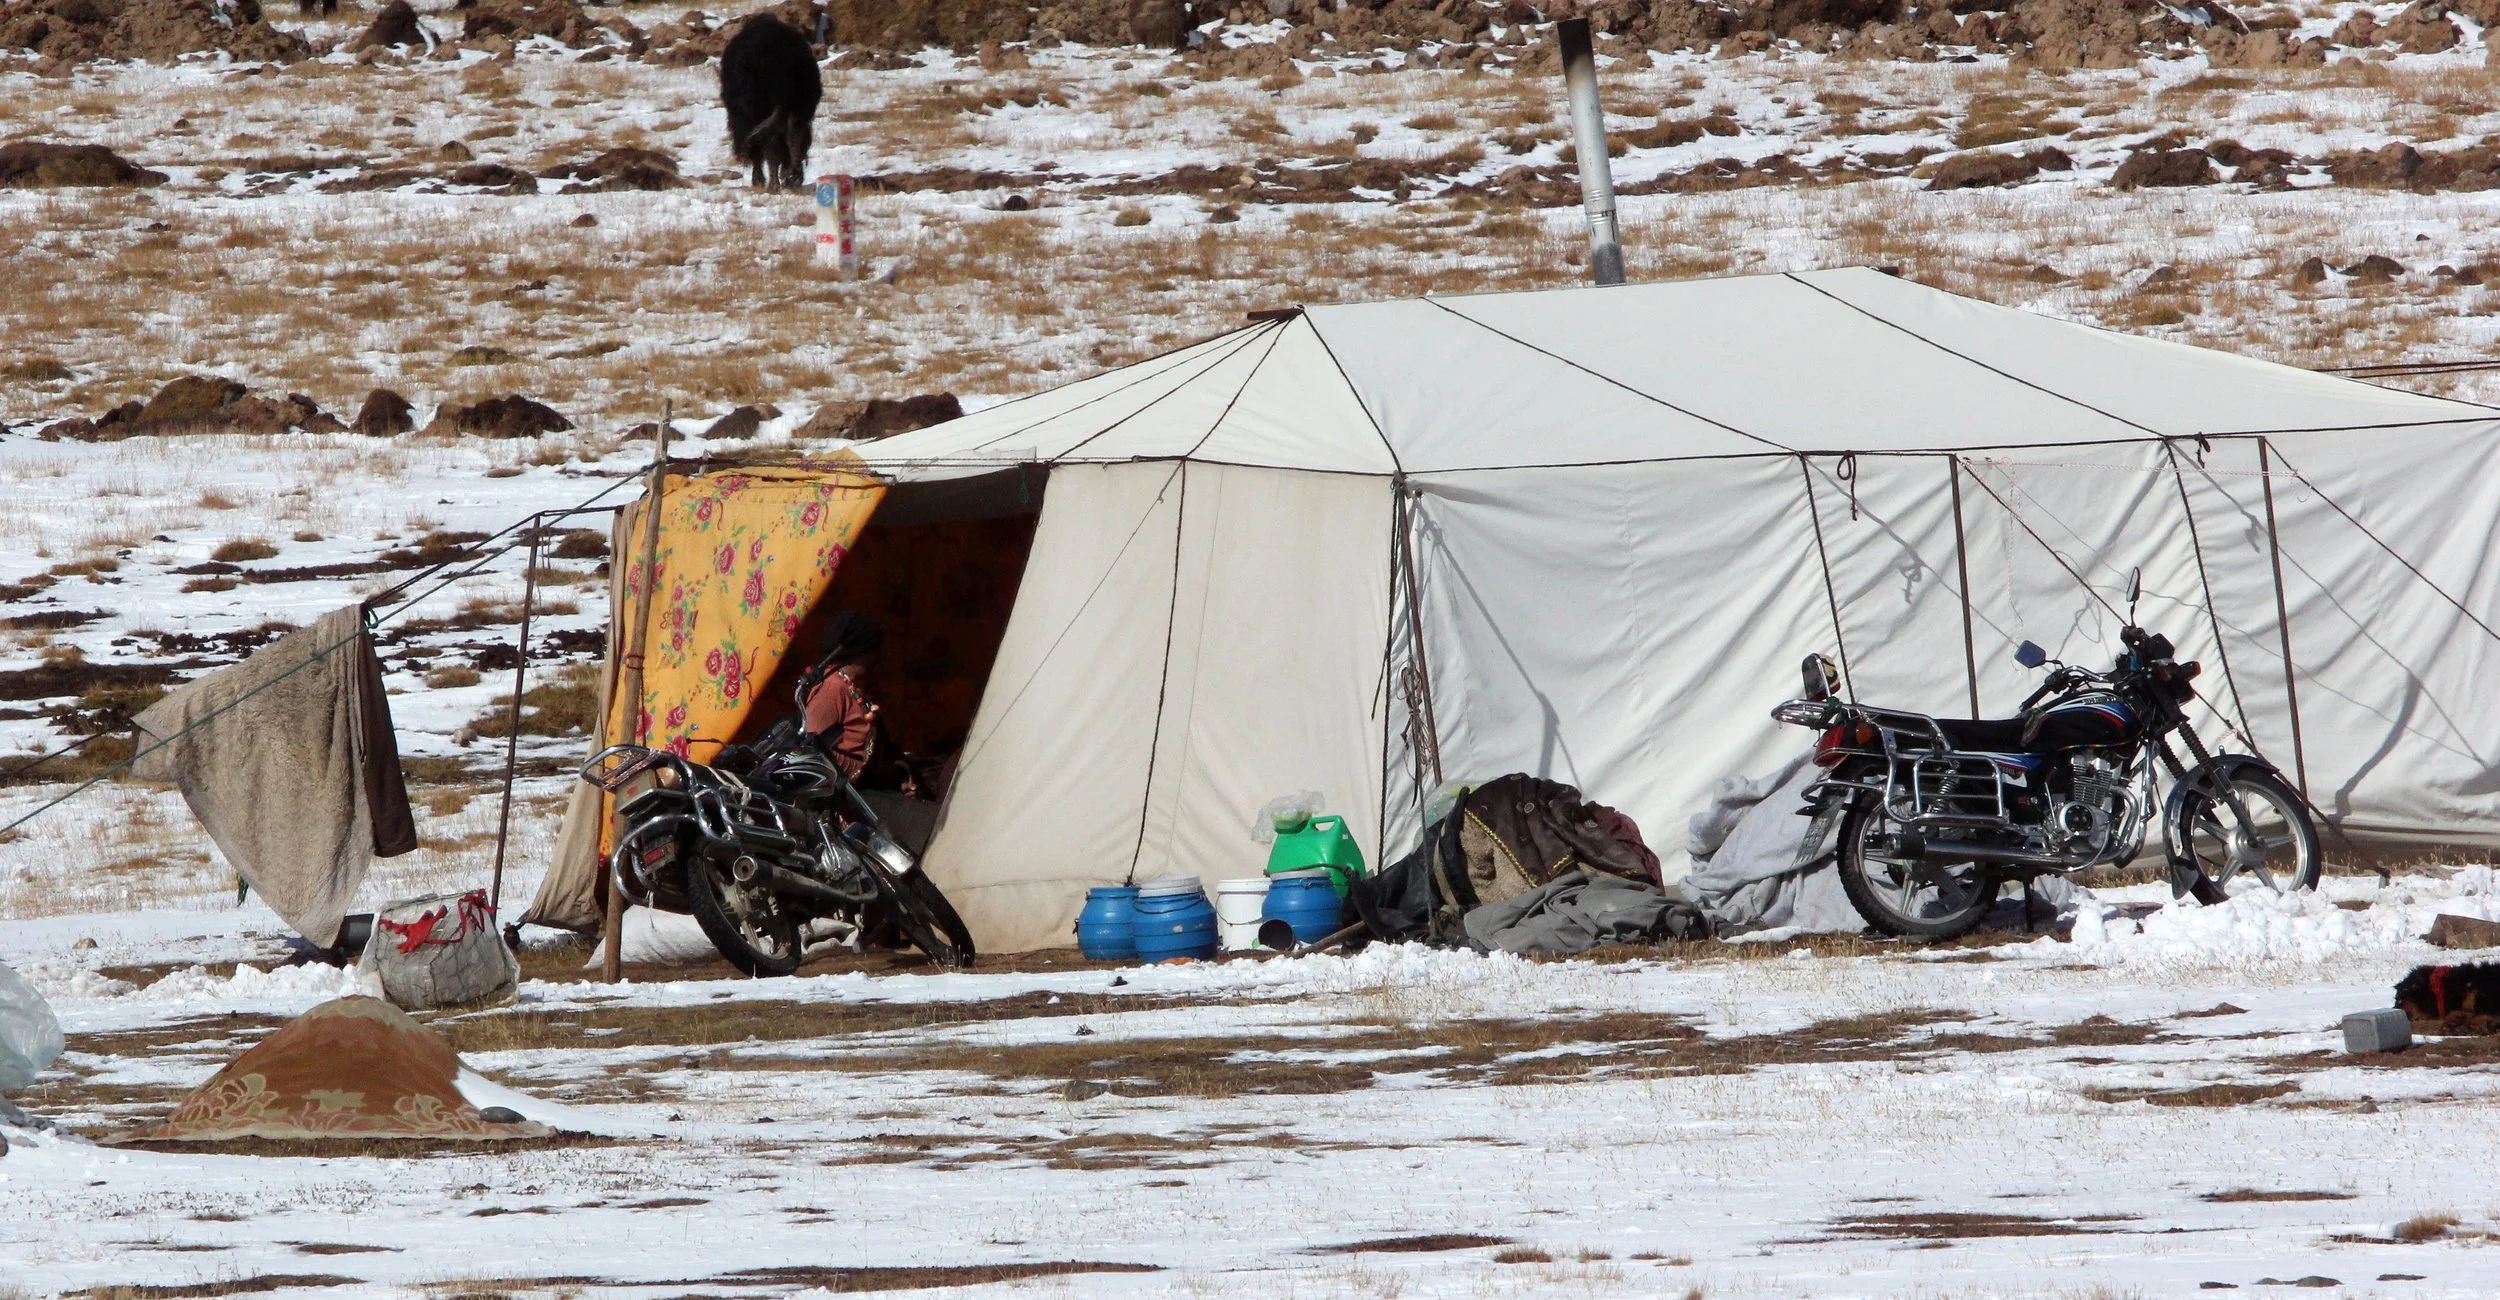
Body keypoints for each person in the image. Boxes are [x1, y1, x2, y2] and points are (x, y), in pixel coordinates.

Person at [801, 611, 915, 795]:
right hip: (853, 797)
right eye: (875, 650)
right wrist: (868, 772)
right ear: (859, 653)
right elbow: (815, 752)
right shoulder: (830, 690)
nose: (879, 658)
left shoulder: (853, 687)